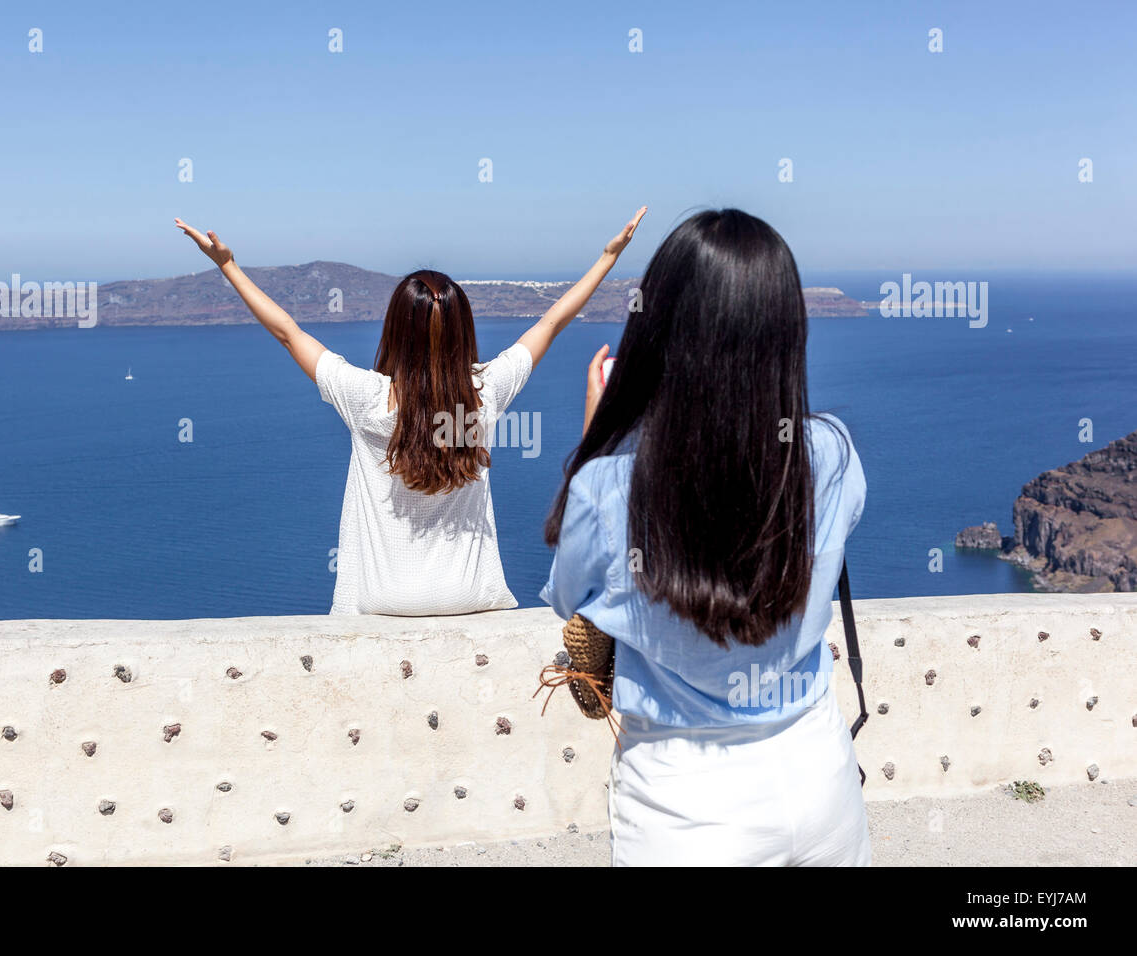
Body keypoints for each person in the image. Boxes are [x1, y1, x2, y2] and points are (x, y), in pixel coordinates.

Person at [541, 208, 870, 866]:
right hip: (819, 773)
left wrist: (599, 437)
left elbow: (570, 599)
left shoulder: (609, 489)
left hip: (684, 804)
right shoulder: (830, 454)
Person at [176, 208, 646, 615]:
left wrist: (229, 265)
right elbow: (552, 321)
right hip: (472, 602)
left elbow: (288, 333)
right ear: (464, 330)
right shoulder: (485, 394)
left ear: (396, 331)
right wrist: (609, 257)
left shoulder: (364, 398)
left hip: (380, 605)